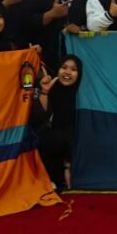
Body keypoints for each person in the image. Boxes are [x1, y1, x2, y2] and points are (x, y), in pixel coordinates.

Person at [34, 56, 83, 190]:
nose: (67, 72)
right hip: (48, 149)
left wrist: (68, 165)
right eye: (64, 67)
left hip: (70, 155)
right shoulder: (50, 88)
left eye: (73, 69)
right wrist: (45, 91)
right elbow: (39, 118)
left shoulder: (82, 97)